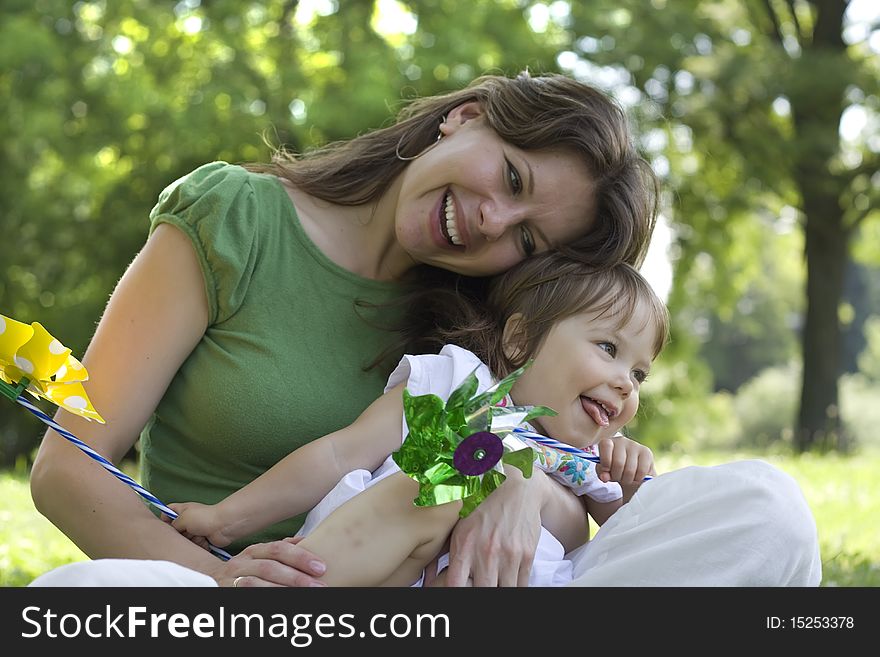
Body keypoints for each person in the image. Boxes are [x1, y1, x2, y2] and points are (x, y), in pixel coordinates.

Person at [29, 70, 661, 587]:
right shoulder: (238, 218)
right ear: (466, 117)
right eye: (511, 177)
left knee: (753, 503)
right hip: (206, 585)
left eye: (528, 238)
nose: (493, 220)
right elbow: (67, 471)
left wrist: (510, 474)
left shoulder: (490, 337)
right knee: (81, 593)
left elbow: (572, 502)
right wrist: (225, 589)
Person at [166, 256, 665, 587]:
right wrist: (226, 518)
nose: (625, 382)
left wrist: (635, 484)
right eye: (608, 348)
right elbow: (341, 453)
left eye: (639, 373)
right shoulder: (455, 385)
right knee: (442, 478)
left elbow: (634, 547)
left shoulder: (590, 464)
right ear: (520, 340)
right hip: (374, 572)